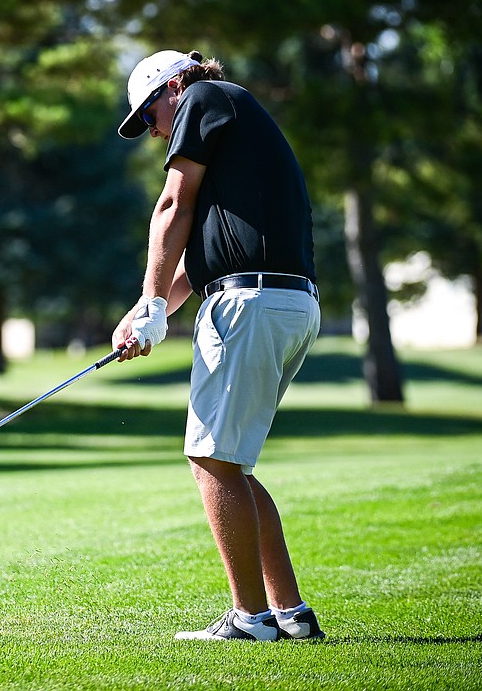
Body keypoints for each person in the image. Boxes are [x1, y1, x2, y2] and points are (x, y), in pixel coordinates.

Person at [112, 49, 324, 642]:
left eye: (150, 115)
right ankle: (290, 612)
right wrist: (144, 315)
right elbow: (201, 260)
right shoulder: (236, 133)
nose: (154, 132)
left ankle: (249, 619)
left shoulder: (207, 98)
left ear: (175, 86)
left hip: (251, 303)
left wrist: (150, 303)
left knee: (210, 460)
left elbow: (171, 206)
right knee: (230, 462)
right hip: (285, 302)